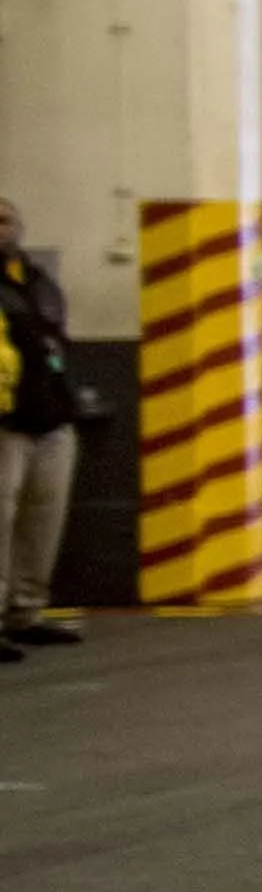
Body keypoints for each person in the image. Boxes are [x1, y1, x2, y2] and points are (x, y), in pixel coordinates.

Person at [0, 195, 86, 658]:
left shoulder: (37, 282)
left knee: (41, 520)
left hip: (50, 415)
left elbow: (58, 344)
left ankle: (25, 611)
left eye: (8, 220)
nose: (3, 229)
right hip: (6, 421)